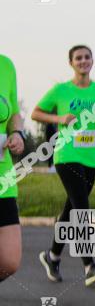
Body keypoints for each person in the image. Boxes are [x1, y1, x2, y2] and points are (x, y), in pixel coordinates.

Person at [32, 45, 95, 287]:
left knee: (71, 209)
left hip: (90, 158)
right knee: (82, 208)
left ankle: (52, 256)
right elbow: (35, 113)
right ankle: (89, 266)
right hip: (66, 155)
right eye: (78, 58)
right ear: (71, 63)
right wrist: (59, 118)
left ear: (92, 61)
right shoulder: (61, 90)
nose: (83, 61)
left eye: (87, 57)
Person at [0, 54, 25, 284]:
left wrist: (16, 133)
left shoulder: (6, 65)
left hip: (3, 178)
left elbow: (14, 111)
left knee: (9, 261)